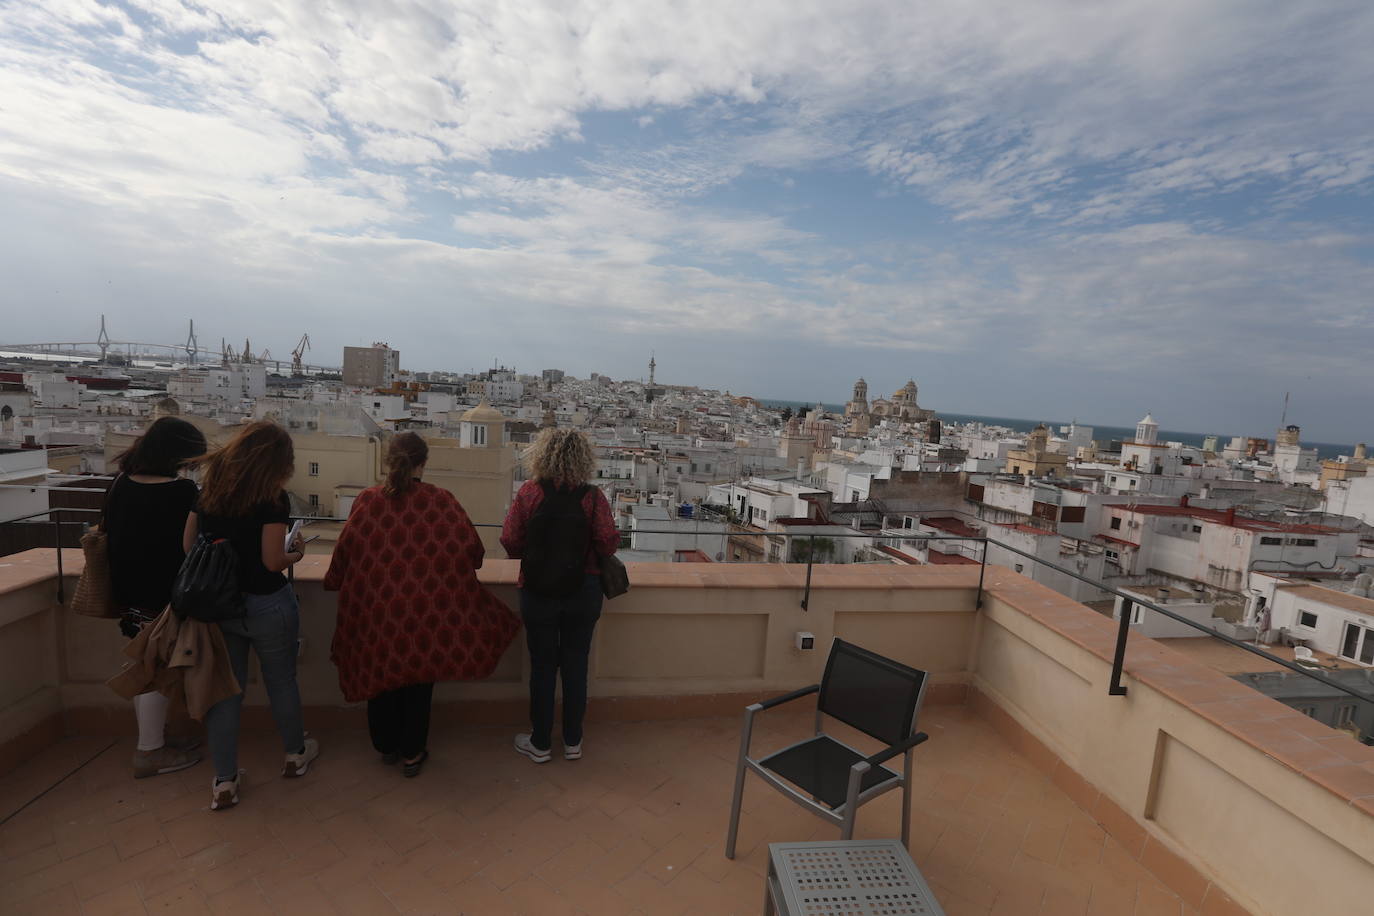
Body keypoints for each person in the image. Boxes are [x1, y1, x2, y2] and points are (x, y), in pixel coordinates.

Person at [324, 433, 519, 777]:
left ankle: (386, 745)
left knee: (381, 677)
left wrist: (335, 581)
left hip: (378, 613)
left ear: (389, 461)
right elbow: (473, 551)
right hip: (425, 615)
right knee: (418, 684)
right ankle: (413, 753)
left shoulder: (368, 501)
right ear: (423, 463)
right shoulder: (441, 500)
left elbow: (343, 555)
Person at [184, 421, 315, 810]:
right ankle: (294, 754)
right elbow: (273, 560)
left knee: (227, 692)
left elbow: (189, 545)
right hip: (267, 604)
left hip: (220, 605)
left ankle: (224, 780)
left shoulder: (210, 494)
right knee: (281, 682)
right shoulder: (272, 499)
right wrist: (298, 552)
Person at [500, 428, 619, 764]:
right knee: (575, 665)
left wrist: (539, 554)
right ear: (583, 458)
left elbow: (509, 540)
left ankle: (539, 742)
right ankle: (572, 741)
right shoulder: (593, 498)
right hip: (584, 591)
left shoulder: (529, 493)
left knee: (542, 668)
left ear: (542, 455)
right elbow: (609, 542)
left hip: (538, 592)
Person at [103, 416, 208, 779]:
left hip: (129, 591)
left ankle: (156, 739)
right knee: (155, 670)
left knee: (151, 665)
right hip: (165, 595)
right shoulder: (180, 493)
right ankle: (149, 750)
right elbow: (194, 544)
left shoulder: (119, 485)